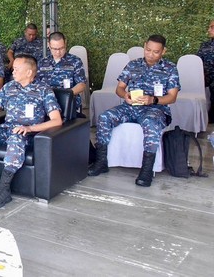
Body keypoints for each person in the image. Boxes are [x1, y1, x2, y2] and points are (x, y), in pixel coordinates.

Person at [0, 54, 62, 208]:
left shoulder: (43, 90)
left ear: (28, 72)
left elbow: (57, 120)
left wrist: (29, 128)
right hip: (6, 129)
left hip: (28, 134)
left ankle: (3, 189)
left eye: (16, 69)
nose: (12, 72)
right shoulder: (9, 87)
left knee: (16, 136)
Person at [88, 35, 180, 187]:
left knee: (150, 122)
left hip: (156, 109)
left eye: (156, 52)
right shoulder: (133, 65)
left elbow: (172, 97)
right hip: (130, 107)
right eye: (148, 50)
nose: (150, 54)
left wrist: (153, 100)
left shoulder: (170, 68)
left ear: (163, 51)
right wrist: (125, 95)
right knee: (104, 117)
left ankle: (146, 170)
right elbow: (120, 88)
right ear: (144, 46)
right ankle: (101, 162)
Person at [36, 32, 87, 114]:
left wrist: (66, 95)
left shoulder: (75, 61)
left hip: (67, 102)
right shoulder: (42, 62)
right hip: (46, 103)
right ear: (49, 45)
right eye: (54, 49)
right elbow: (36, 84)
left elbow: (82, 85)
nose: (58, 52)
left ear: (65, 43)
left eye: (61, 48)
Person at [196, 20, 214, 114]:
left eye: (212, 27)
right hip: (204, 81)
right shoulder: (205, 45)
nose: (209, 30)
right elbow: (197, 63)